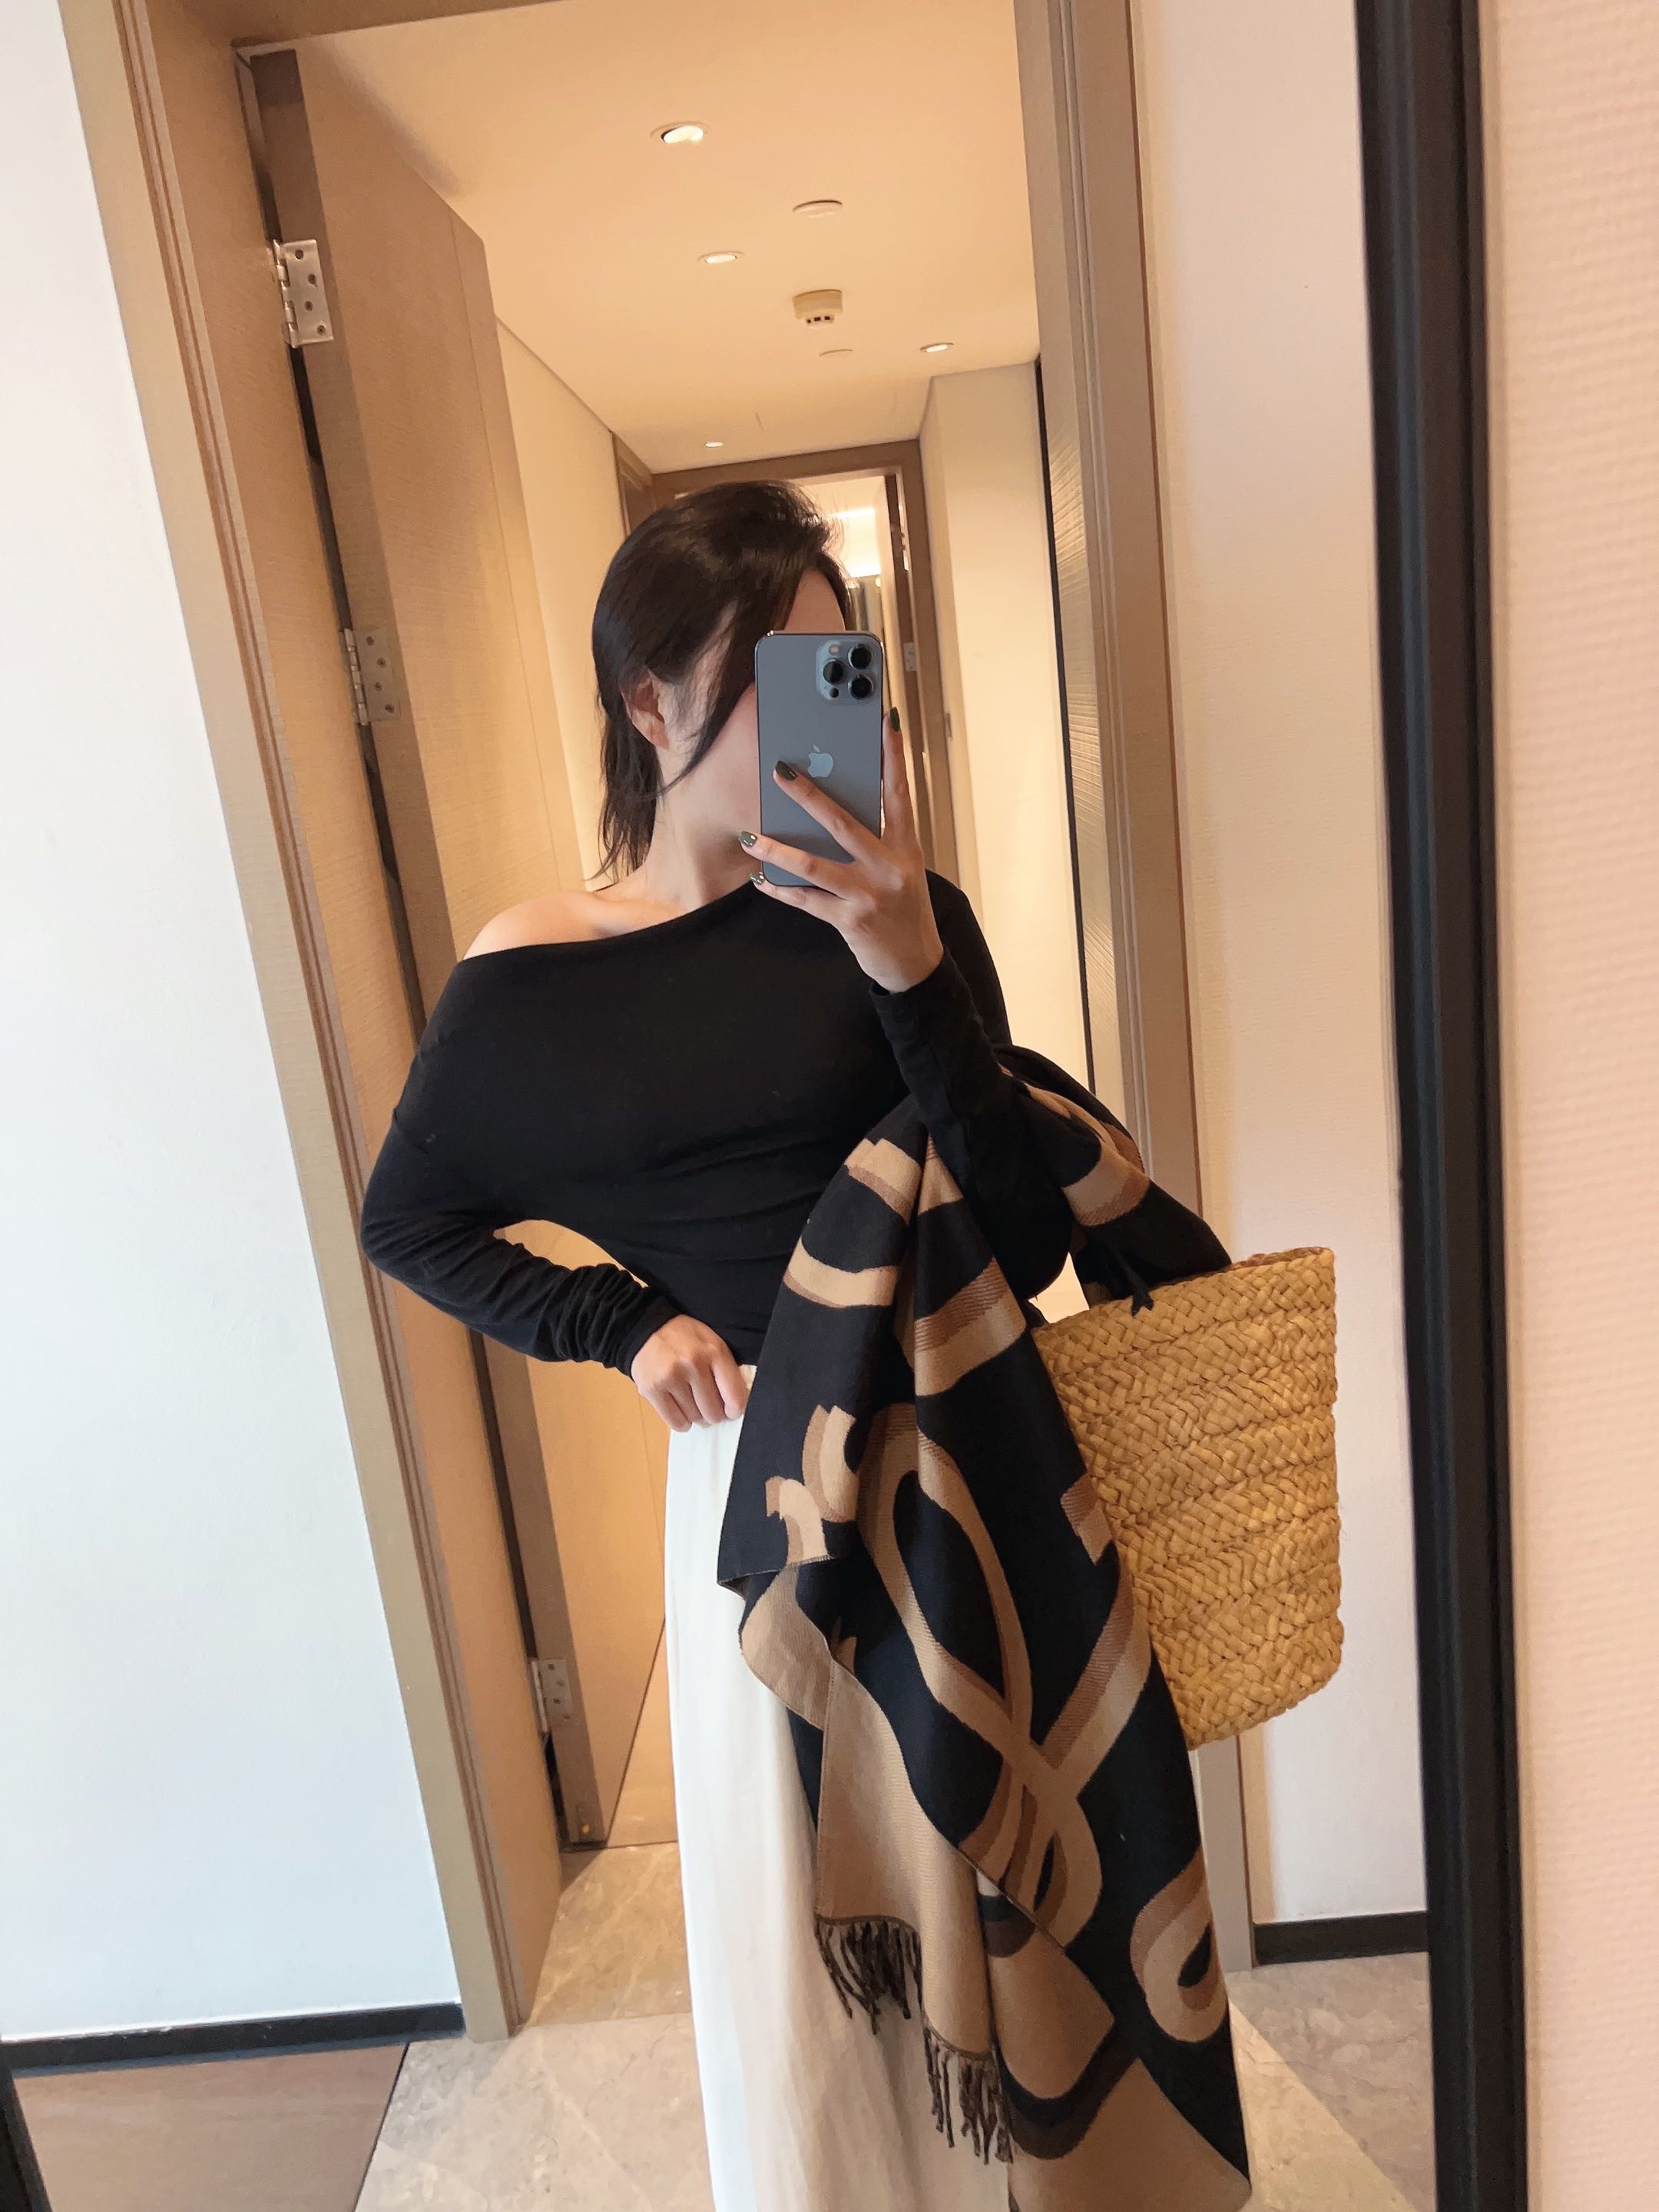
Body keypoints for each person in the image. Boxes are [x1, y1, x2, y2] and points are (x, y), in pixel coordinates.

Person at [359, 481, 1078, 2211]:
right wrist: (619, 1323)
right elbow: (409, 1219)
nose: (819, 709)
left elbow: (1033, 1234)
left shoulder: (904, 914)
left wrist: (907, 965)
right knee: (811, 1967)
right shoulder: (534, 981)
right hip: (760, 1506)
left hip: (966, 1464)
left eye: (840, 669)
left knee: (1012, 1916)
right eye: (772, 673)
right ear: (648, 699)